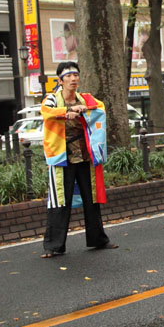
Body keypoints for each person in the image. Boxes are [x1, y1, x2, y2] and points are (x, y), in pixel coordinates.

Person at [40, 61, 117, 258]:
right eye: (69, 76)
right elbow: (46, 112)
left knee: (91, 199)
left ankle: (98, 239)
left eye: (76, 75)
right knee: (59, 201)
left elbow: (100, 107)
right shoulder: (52, 99)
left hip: (84, 156)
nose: (73, 79)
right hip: (61, 158)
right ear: (60, 80)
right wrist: (65, 113)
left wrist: (86, 108)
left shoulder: (85, 98)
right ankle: (53, 246)